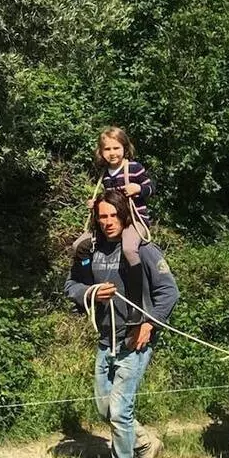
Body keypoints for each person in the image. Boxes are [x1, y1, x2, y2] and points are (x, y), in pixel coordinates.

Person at [65, 190, 177, 458]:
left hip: (134, 339)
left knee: (119, 409)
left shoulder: (143, 249)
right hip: (105, 338)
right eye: (103, 216)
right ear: (96, 218)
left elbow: (169, 292)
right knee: (104, 407)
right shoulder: (90, 251)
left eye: (114, 215)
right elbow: (71, 285)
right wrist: (90, 292)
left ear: (124, 215)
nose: (108, 221)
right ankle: (146, 444)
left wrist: (150, 325)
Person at [72, 126, 155, 323]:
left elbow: (151, 187)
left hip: (134, 221)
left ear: (125, 148)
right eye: (107, 149)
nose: (112, 153)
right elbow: (107, 199)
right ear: (101, 152)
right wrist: (95, 204)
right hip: (111, 222)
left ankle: (135, 306)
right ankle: (89, 293)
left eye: (116, 148)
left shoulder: (133, 167)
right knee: (79, 247)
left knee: (128, 249)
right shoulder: (104, 174)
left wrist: (138, 188)